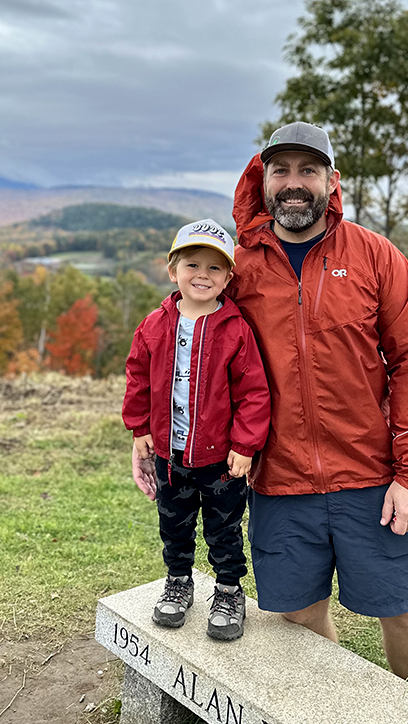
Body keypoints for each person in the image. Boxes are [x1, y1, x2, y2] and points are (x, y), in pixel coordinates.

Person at [133, 123, 408, 688]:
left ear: (331, 181)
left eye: (308, 170)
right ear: (263, 179)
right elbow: (178, 345)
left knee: (399, 606)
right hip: (277, 476)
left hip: (371, 475)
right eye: (282, 170)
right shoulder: (238, 269)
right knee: (297, 616)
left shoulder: (375, 256)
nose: (294, 184)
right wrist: (150, 435)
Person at [123, 219, 270, 641]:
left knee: (223, 528)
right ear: (173, 271)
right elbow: (138, 378)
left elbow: (255, 392)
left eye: (214, 268)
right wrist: (139, 429)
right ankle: (178, 581)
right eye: (192, 264)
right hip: (171, 457)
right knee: (174, 524)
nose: (202, 275)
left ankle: (227, 590)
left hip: (221, 460)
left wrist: (245, 444)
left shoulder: (236, 330)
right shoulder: (154, 325)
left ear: (227, 278)